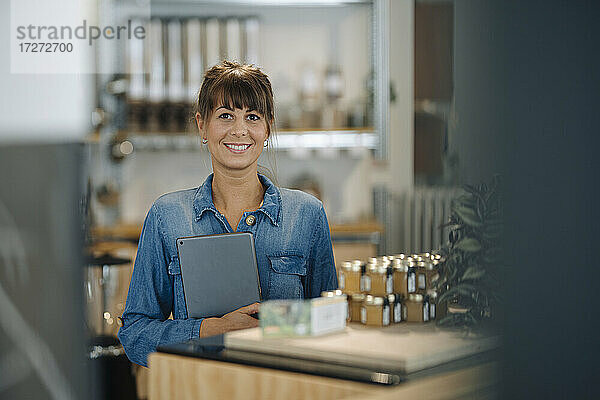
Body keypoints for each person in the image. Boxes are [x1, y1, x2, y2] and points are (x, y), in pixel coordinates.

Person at [118, 60, 338, 367]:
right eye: (225, 116)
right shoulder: (167, 217)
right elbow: (135, 334)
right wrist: (209, 330)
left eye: (252, 116)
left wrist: (267, 324)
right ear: (202, 125)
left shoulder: (307, 215)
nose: (239, 130)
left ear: (267, 127)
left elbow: (332, 321)